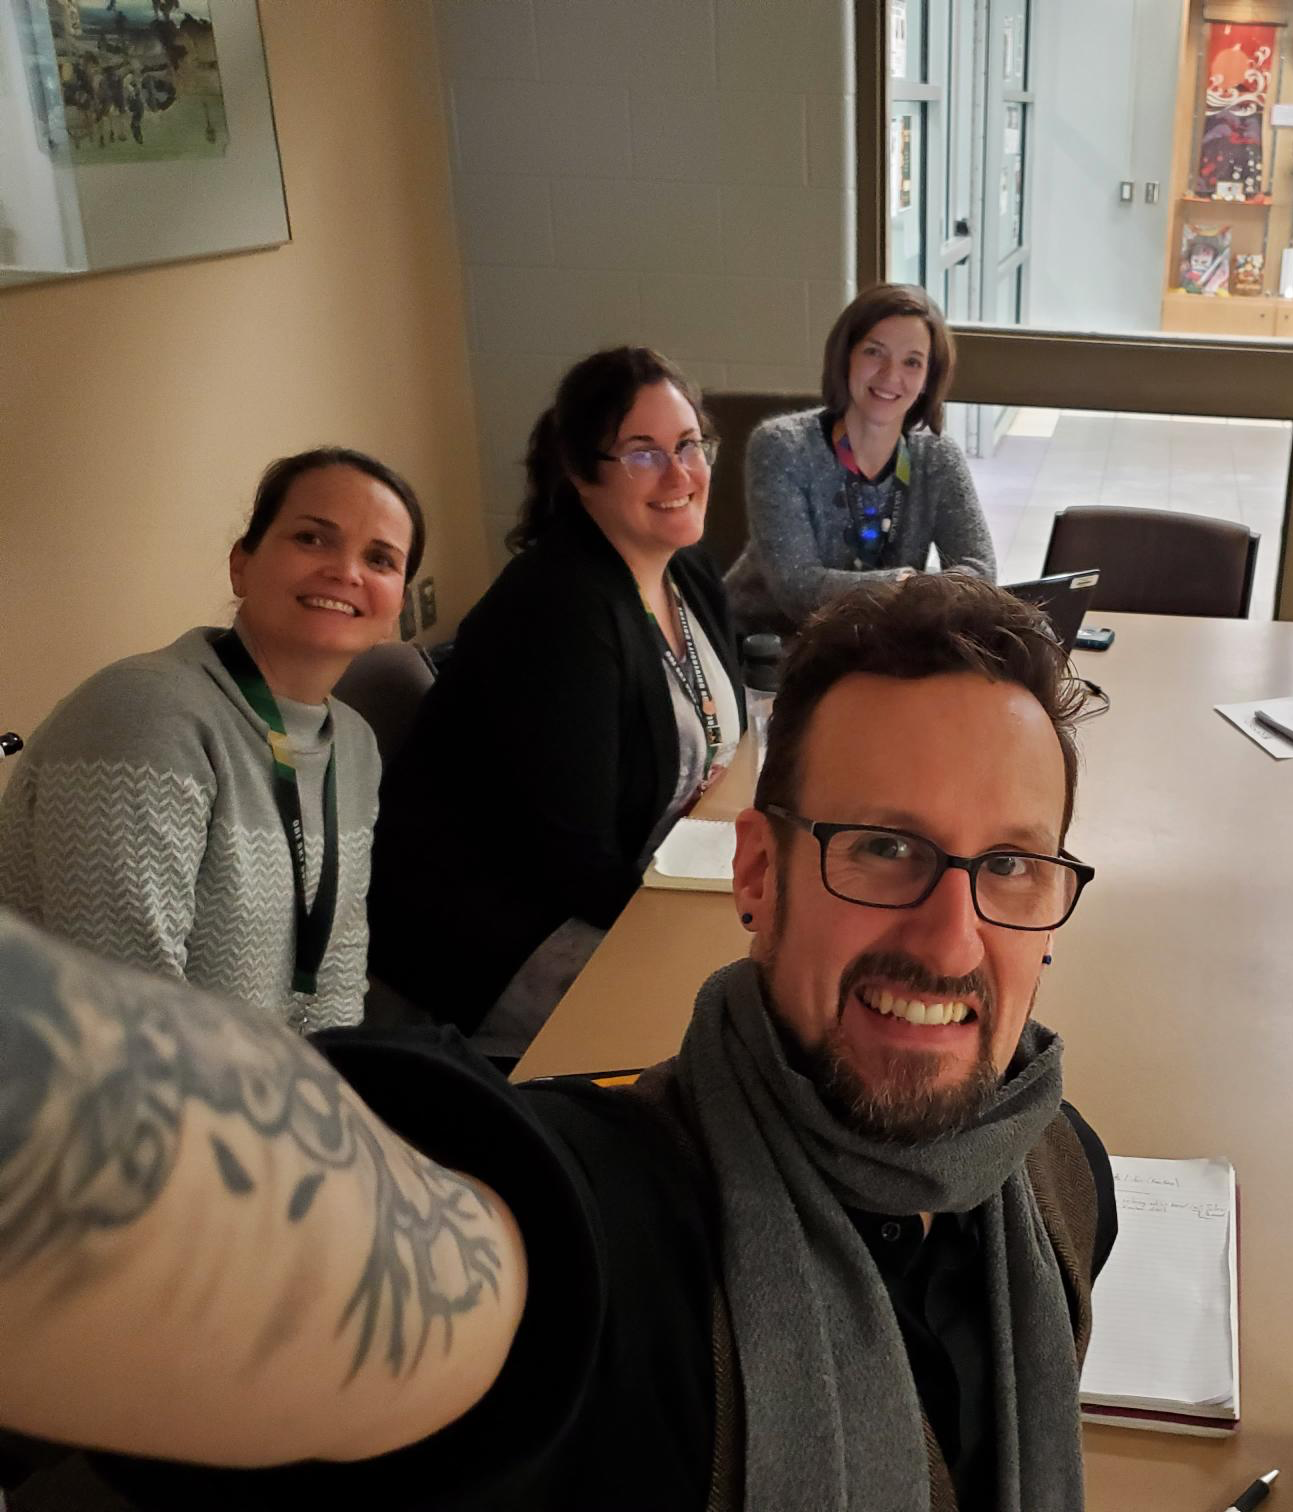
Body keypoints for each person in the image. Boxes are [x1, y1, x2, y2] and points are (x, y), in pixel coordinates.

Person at [0, 574, 1114, 1512]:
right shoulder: (620, 1234)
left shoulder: (1062, 1179)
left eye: (1012, 866)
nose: (952, 936)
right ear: (759, 876)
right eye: (881, 848)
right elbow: (337, 1251)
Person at [369, 347, 745, 1043]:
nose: (679, 474)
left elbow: (727, 727)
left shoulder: (684, 564)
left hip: (631, 880)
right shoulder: (559, 612)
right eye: (642, 454)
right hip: (501, 930)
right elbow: (572, 864)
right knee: (721, 1032)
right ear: (580, 474)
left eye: (689, 445)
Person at [0, 447, 426, 1032]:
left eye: (380, 559)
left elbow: (338, 966)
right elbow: (125, 1016)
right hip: (87, 1100)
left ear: (398, 600)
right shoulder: (143, 715)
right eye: (312, 538)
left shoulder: (352, 744)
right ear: (241, 564)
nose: (346, 572)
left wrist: (337, 1092)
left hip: (257, 1089)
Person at [724, 283, 996, 633]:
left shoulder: (937, 458)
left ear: (929, 377)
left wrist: (909, 588)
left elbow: (981, 571)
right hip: (764, 648)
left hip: (870, 649)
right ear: (846, 356)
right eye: (874, 352)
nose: (890, 375)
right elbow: (799, 589)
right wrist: (907, 585)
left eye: (912, 362)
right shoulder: (782, 447)